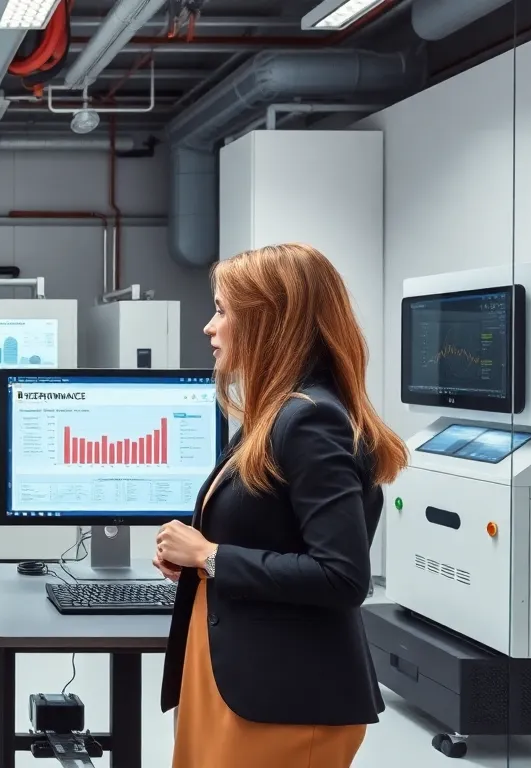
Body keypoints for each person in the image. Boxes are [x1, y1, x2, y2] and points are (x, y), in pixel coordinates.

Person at [152, 243, 407, 768]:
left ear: (269, 322)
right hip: (236, 675)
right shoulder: (274, 414)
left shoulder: (310, 420)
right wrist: (200, 563)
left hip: (286, 696)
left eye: (223, 310)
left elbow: (342, 576)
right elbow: (273, 531)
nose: (209, 326)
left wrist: (210, 557)